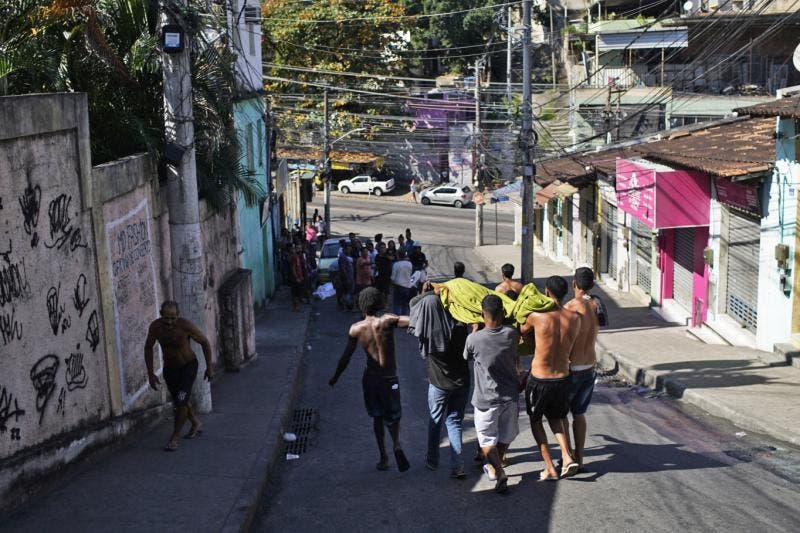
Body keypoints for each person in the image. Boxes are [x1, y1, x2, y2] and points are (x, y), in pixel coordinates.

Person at [328, 288, 411, 472]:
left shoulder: (356, 329)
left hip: (371, 379)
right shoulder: (387, 320)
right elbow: (411, 321)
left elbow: (345, 358)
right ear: (379, 302)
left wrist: (335, 377)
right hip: (390, 378)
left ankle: (383, 457)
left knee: (377, 417)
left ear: (362, 305)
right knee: (394, 415)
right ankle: (396, 443)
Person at [520, 275, 582, 481]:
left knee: (536, 421)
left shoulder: (537, 316)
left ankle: (549, 467)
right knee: (558, 417)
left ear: (547, 292)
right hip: (563, 376)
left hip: (540, 378)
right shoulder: (575, 318)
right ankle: (566, 456)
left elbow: (521, 331)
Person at [408, 285, 470, 479]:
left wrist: (427, 292)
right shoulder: (460, 328)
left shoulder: (426, 333)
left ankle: (432, 460)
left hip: (438, 384)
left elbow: (413, 304)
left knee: (435, 421)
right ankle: (458, 465)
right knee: (454, 422)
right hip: (461, 383)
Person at [463, 295, 520, 494]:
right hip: (510, 396)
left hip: (486, 399)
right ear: (503, 313)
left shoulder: (474, 339)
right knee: (506, 435)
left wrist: (475, 330)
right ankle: (497, 467)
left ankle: (498, 471)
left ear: (481, 314)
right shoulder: (512, 334)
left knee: (486, 440)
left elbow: (467, 356)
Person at [145, 300, 214, 452]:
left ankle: (174, 437)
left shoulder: (185, 326)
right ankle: (195, 423)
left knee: (181, 402)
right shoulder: (156, 328)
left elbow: (205, 343)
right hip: (170, 370)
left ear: (178, 316)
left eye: (173, 318)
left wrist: (209, 367)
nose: (170, 322)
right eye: (166, 318)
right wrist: (150, 373)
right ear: (160, 314)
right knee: (180, 399)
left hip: (187, 367)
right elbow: (148, 347)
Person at [562, 267, 600, 470]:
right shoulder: (596, 305)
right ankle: (580, 456)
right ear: (592, 285)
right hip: (590, 366)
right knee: (579, 414)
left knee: (561, 415)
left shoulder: (570, 307)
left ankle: (568, 457)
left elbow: (565, 339)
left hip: (573, 369)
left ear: (574, 283)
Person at [391, 250, 414, 315]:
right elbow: (411, 274)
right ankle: (405, 318)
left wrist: (392, 284)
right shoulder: (409, 264)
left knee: (397, 303)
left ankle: (397, 318)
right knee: (405, 304)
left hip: (398, 286)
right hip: (407, 286)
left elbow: (393, 277)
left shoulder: (396, 264)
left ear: (398, 255)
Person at [337, 244, 355, 311]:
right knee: (346, 292)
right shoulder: (342, 257)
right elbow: (343, 269)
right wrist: (347, 278)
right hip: (346, 279)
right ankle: (345, 307)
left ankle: (347, 306)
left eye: (350, 249)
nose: (350, 251)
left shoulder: (345, 256)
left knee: (347, 292)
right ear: (344, 249)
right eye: (348, 249)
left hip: (349, 277)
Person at [289, 244, 306, 311]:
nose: (300, 249)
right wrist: (297, 278)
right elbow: (293, 269)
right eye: (298, 248)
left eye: (300, 248)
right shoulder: (294, 257)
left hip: (299, 277)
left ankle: (296, 306)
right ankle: (296, 307)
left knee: (298, 292)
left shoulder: (299, 256)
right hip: (295, 279)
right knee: (295, 293)